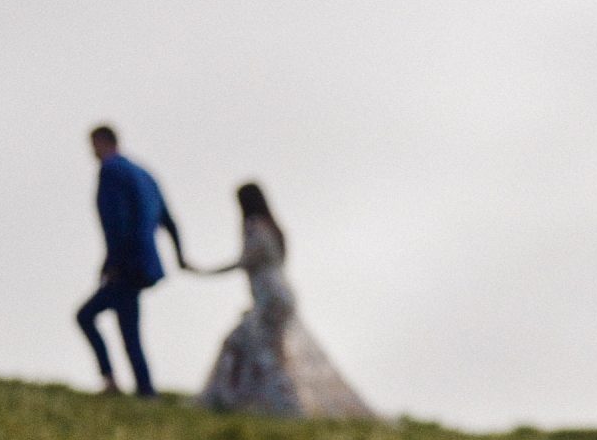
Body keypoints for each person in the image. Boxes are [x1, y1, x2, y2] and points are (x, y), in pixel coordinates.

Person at [193, 182, 376, 419]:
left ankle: (270, 404)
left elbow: (246, 260)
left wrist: (204, 272)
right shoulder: (274, 228)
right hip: (280, 295)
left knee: (252, 349)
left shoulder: (254, 227)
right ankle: (264, 403)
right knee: (265, 350)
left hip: (270, 297)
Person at [77, 125, 186, 396]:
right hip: (144, 263)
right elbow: (168, 219)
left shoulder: (111, 171)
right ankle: (142, 388)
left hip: (127, 263)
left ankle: (120, 382)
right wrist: (180, 256)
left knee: (88, 317)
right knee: (128, 327)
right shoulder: (144, 174)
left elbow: (117, 222)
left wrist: (113, 262)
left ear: (102, 142)